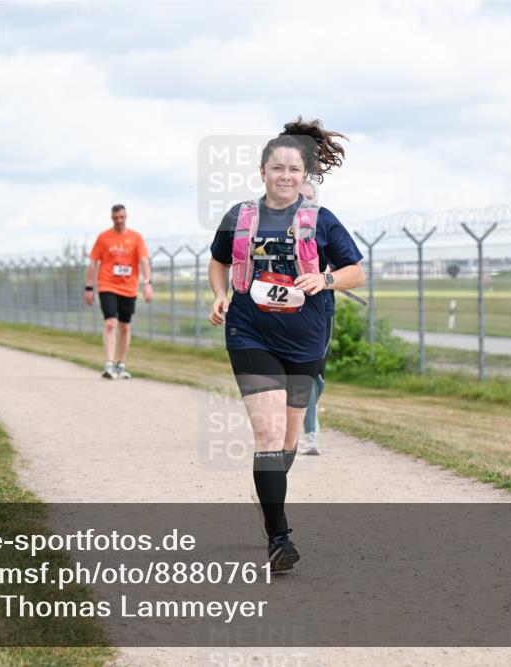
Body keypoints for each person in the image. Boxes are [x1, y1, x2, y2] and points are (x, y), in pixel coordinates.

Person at [207, 117, 365, 572]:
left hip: (305, 339)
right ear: (262, 172)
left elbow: (356, 272)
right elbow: (218, 262)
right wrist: (219, 295)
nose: (286, 176)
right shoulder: (240, 217)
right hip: (249, 333)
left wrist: (325, 279)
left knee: (289, 439)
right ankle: (279, 538)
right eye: (277, 168)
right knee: (269, 433)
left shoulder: (320, 220)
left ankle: (267, 493)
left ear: (304, 174)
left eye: (294, 170)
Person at [85, 204, 153, 379]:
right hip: (107, 285)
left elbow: (144, 261)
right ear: (112, 218)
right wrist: (89, 287)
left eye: (122, 217)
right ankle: (109, 364)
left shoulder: (136, 238)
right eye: (116, 218)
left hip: (128, 288)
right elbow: (93, 263)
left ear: (126, 217)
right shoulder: (103, 238)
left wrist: (147, 283)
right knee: (110, 323)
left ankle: (120, 365)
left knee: (125, 326)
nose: (119, 220)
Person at [297, 181, 328, 455]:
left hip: (321, 311)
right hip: (287, 310)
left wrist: (325, 277)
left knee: (315, 376)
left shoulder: (326, 227)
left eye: (310, 198)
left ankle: (309, 414)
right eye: (301, 198)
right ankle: (308, 431)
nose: (305, 203)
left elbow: (350, 270)